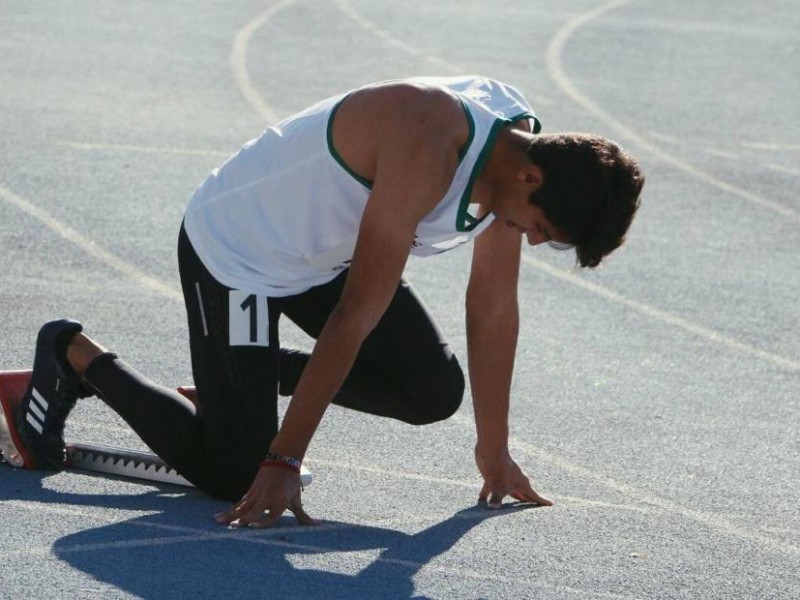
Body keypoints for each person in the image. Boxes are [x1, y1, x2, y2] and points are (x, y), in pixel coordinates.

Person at [15, 75, 644, 527]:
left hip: (331, 257)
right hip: (244, 253)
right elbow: (355, 317)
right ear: (532, 180)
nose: (532, 239)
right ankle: (73, 354)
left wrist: (494, 450)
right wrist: (285, 458)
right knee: (237, 473)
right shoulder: (430, 140)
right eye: (542, 229)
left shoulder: (525, 162)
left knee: (431, 393)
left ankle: (247, 381)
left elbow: (492, 310)